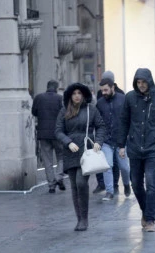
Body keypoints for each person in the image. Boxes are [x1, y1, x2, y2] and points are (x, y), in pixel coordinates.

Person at [117, 68, 155, 232]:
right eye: (138, 82)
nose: (141, 85)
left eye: (144, 82)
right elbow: (123, 121)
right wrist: (121, 145)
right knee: (135, 184)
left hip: (153, 147)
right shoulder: (130, 98)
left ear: (149, 81)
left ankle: (150, 220)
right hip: (135, 147)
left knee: (151, 183)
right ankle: (146, 210)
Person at [55, 83, 106, 231]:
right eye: (74, 93)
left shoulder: (91, 109)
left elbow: (101, 126)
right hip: (70, 152)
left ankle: (84, 218)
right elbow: (58, 131)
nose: (77, 96)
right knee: (74, 186)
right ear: (70, 96)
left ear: (83, 95)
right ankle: (80, 220)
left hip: (86, 151)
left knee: (81, 183)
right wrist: (68, 142)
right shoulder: (64, 111)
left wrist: (98, 142)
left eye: (79, 93)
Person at [96, 78, 131, 200]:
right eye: (102, 90)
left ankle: (126, 185)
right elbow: (97, 122)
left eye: (106, 90)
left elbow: (128, 119)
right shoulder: (99, 103)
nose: (104, 92)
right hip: (106, 141)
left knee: (124, 167)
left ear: (112, 87)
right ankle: (109, 192)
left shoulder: (123, 99)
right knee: (108, 166)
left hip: (121, 141)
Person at [31, 80, 65, 193]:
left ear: (47, 87)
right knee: (61, 156)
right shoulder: (60, 98)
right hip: (58, 133)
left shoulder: (38, 98)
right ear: (56, 88)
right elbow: (64, 115)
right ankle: (59, 176)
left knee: (47, 160)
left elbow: (34, 112)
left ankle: (51, 184)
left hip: (43, 133)